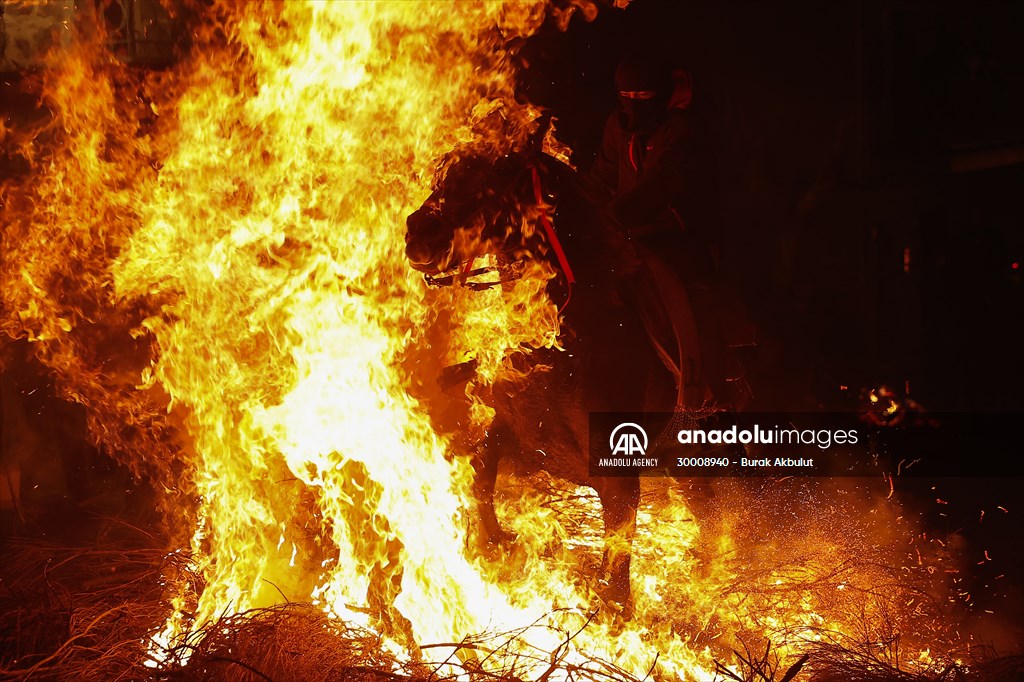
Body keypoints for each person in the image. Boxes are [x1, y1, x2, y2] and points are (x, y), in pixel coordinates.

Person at [579, 51, 751, 409]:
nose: (635, 102)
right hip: (628, 231)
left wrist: (615, 215)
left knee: (676, 288)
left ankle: (705, 385)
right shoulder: (618, 125)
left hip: (680, 232)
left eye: (644, 96)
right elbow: (604, 175)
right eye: (627, 95)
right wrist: (573, 205)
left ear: (660, 92)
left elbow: (662, 182)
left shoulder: (683, 127)